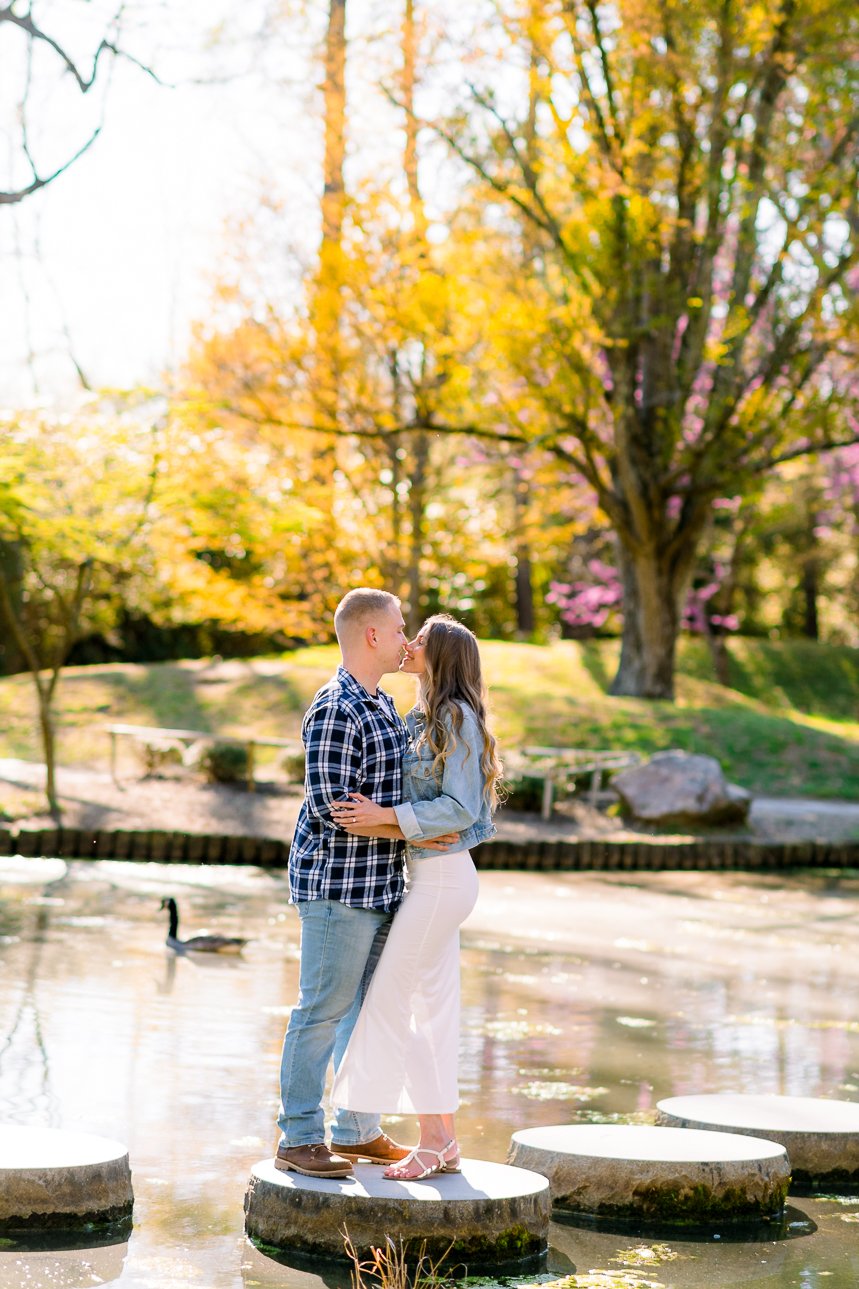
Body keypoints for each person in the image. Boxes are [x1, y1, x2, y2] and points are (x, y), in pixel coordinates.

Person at [275, 589, 456, 1179]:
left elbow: (381, 804)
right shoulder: (335, 708)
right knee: (321, 1011)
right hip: (337, 889)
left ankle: (355, 1132)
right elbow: (334, 807)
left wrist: (406, 823)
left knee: (374, 1010)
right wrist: (407, 830)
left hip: (381, 888)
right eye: (401, 629)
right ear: (371, 635)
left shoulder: (380, 704)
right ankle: (299, 1138)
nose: (408, 640)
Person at [329, 614, 503, 1180]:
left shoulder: (455, 717)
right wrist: (389, 824)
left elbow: (460, 811)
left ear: (442, 656)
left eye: (420, 639)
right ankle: (445, 1141)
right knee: (429, 1012)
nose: (408, 644)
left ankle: (428, 1141)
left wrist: (385, 817)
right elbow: (441, 818)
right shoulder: (419, 717)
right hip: (431, 877)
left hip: (445, 882)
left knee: (387, 1004)